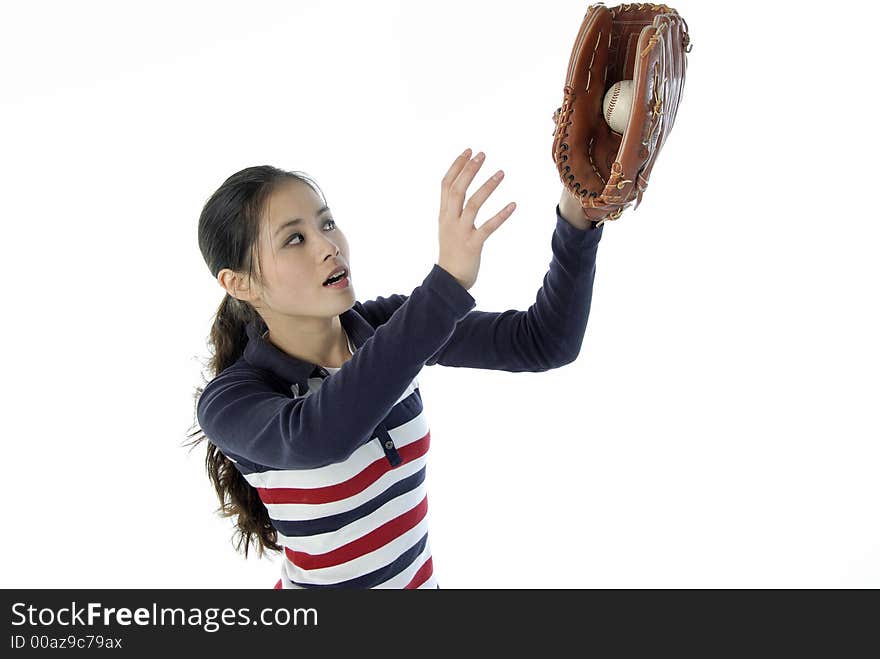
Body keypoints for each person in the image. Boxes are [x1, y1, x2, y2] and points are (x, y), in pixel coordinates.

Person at [185, 148, 604, 589]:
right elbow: (317, 436)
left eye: (327, 223)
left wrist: (578, 215)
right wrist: (446, 287)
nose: (329, 246)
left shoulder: (381, 329)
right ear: (239, 283)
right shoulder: (229, 400)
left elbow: (544, 343)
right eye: (294, 239)